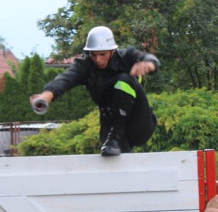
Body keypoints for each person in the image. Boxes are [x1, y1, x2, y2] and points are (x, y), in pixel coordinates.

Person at [30, 25, 159, 157]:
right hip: (111, 120)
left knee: (123, 80)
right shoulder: (85, 66)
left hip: (138, 119)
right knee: (111, 157)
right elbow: (65, 80)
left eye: (102, 54)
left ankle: (115, 135)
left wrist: (148, 65)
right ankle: (114, 138)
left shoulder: (126, 56)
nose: (98, 60)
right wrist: (45, 96)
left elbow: (151, 59)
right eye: (93, 55)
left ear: (112, 51)